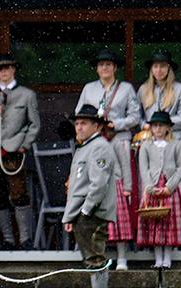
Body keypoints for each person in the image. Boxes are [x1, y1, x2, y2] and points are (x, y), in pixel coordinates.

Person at [75, 49, 140, 270]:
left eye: (109, 64)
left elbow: (135, 116)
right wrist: (94, 124)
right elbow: (79, 115)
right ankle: (97, 256)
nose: (105, 68)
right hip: (95, 144)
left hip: (118, 142)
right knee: (95, 194)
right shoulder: (88, 89)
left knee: (119, 197)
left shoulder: (126, 88)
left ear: (115, 68)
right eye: (101, 64)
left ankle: (122, 257)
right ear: (96, 68)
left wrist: (116, 124)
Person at [62, 104, 117, 288]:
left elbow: (98, 184)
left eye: (84, 123)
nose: (79, 127)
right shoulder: (84, 147)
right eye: (77, 123)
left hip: (92, 213)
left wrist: (85, 211)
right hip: (82, 213)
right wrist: (70, 216)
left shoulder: (100, 147)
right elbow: (77, 185)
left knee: (95, 259)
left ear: (97, 126)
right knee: (91, 259)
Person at [0, 53, 41, 251]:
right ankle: (8, 239)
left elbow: (34, 124)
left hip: (14, 150)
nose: (4, 72)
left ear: (13, 69)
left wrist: (24, 145)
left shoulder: (27, 95)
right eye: (0, 69)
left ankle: (25, 239)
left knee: (19, 194)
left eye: (7, 68)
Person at [136, 111, 181, 268]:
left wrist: (169, 187)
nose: (157, 129)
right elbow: (143, 168)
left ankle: (167, 258)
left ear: (168, 128)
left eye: (161, 125)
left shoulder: (176, 145)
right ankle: (158, 258)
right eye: (154, 126)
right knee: (155, 221)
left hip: (169, 188)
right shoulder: (146, 145)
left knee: (168, 222)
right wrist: (150, 187)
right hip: (152, 187)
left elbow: (180, 168)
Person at [138, 51, 181, 142]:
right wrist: (143, 125)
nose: (158, 70)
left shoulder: (180, 89)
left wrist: (163, 124)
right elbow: (134, 114)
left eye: (162, 66)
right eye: (155, 66)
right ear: (151, 69)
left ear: (169, 68)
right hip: (149, 140)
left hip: (174, 139)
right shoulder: (143, 89)